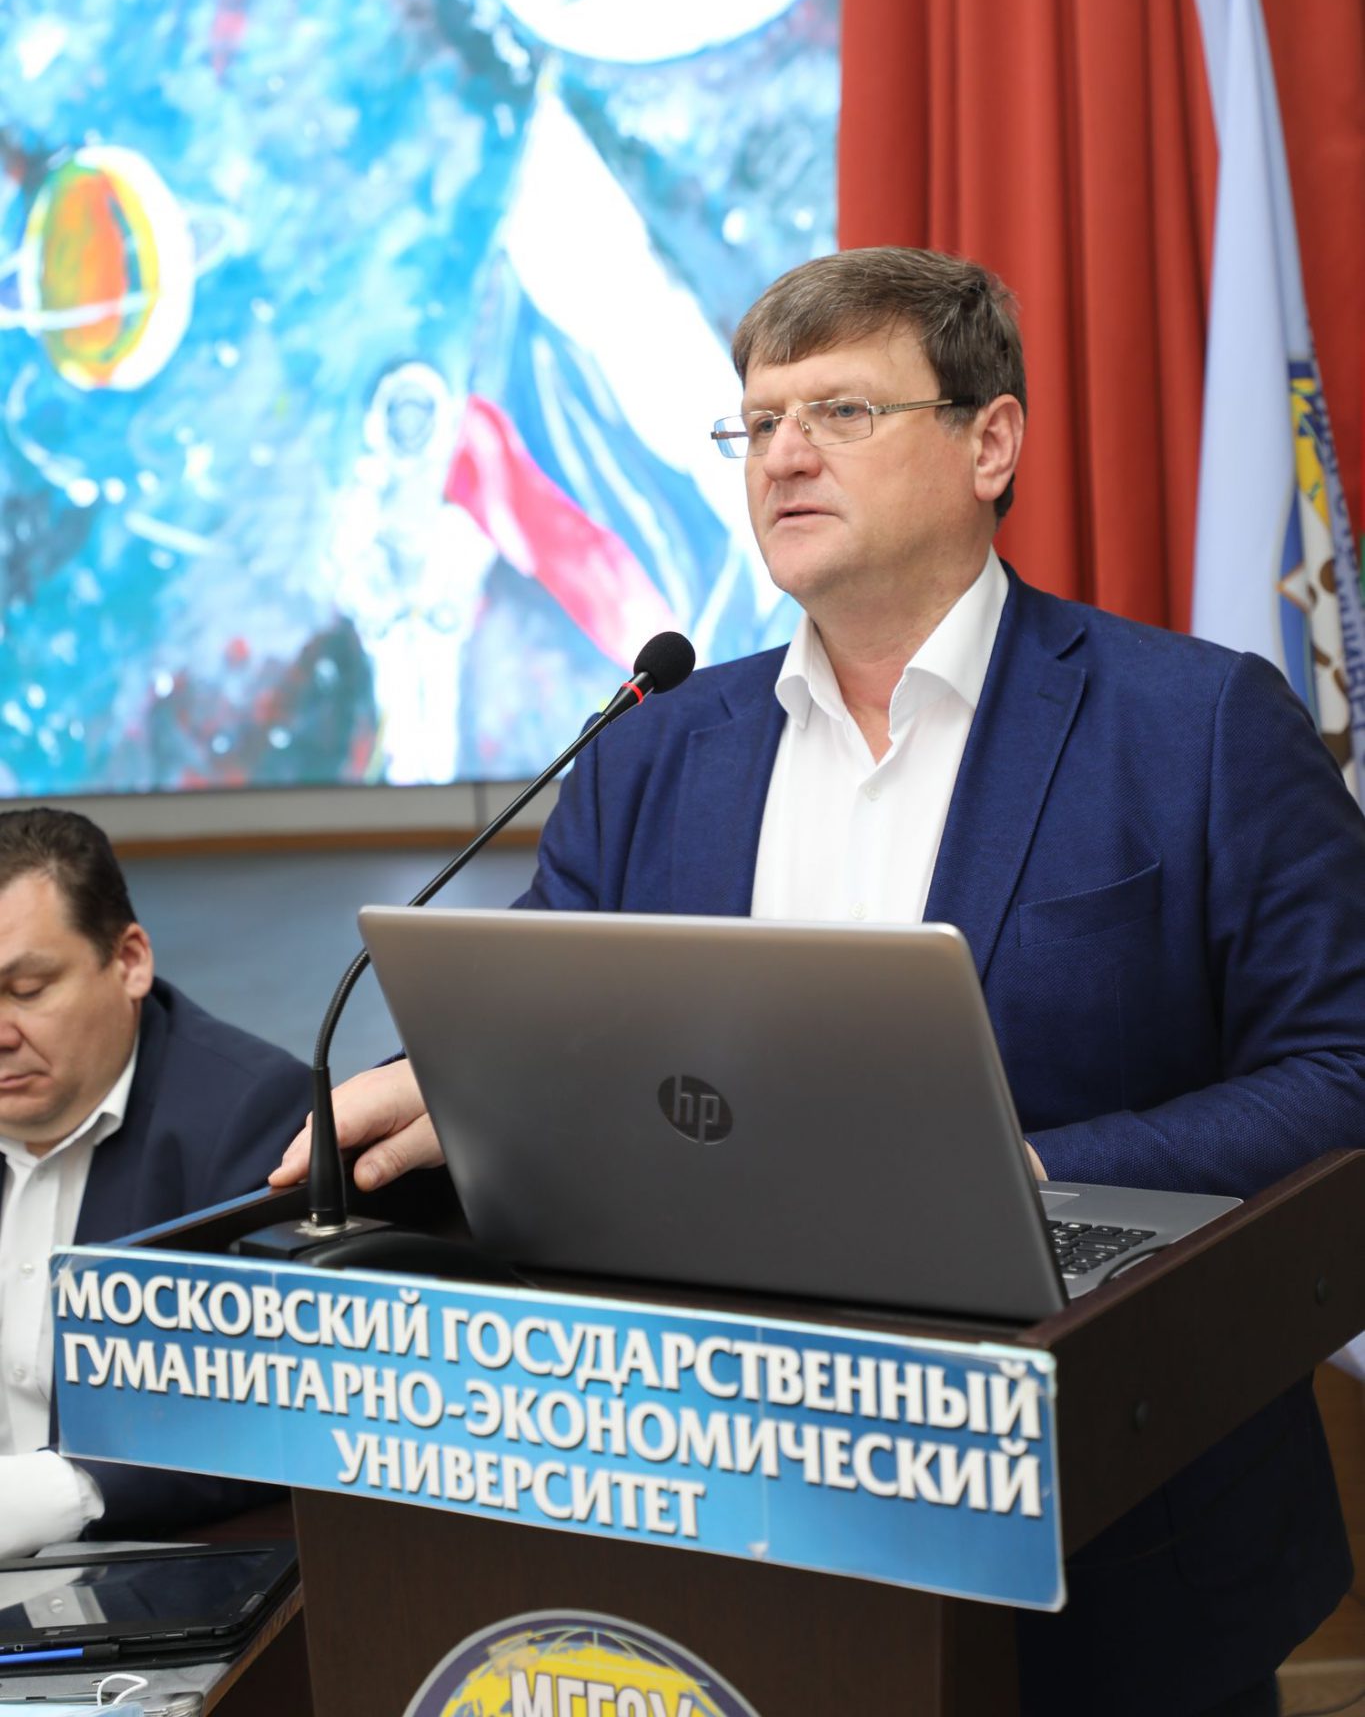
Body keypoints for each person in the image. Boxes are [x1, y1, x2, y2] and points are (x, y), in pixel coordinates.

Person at [273, 247, 1365, 1717]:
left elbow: (1341, 1074)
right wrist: (452, 1086)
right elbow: (551, 1039)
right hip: (717, 1534)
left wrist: (1036, 1175)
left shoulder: (1198, 725)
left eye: (841, 412)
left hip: (1110, 1543)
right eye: (757, 423)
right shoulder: (650, 750)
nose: (782, 453)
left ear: (990, 441)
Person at [0, 805, 309, 1553]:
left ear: (130, 961)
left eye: (28, 988)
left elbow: (278, 1399)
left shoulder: (256, 1119)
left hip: (158, 1572)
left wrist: (48, 1495)